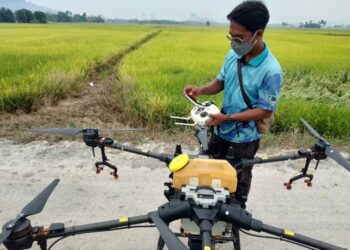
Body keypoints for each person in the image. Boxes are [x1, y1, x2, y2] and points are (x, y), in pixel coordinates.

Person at [183, 1, 283, 207]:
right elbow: (221, 81)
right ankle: (212, 213)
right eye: (231, 36)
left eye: (239, 37)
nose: (233, 42)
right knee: (212, 174)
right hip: (220, 130)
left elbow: (265, 109)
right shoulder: (233, 55)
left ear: (258, 34)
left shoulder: (271, 70)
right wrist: (200, 90)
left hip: (245, 139)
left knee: (238, 181)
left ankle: (236, 216)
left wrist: (227, 117)